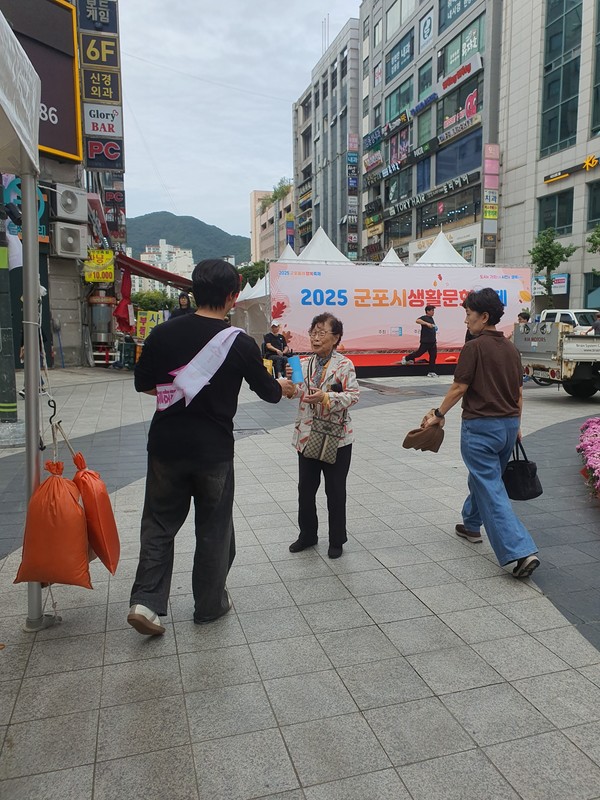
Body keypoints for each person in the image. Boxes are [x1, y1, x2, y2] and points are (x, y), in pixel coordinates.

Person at [128, 259, 295, 636]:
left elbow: (145, 385)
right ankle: (209, 605)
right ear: (233, 297)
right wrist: (283, 387)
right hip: (213, 452)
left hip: (166, 447)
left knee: (158, 523)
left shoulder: (162, 334)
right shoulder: (240, 343)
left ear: (193, 291)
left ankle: (146, 602)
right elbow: (269, 394)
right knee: (214, 527)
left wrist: (179, 393)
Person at [421, 288, 540, 579]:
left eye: (468, 315)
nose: (466, 321)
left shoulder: (473, 347)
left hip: (481, 428)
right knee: (485, 479)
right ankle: (471, 525)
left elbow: (459, 388)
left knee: (490, 486)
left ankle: (521, 551)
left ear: (484, 316)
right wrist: (518, 426)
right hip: (509, 426)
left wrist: (437, 415)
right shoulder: (512, 349)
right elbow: (519, 393)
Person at [286, 313, 360, 559]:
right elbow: (298, 392)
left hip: (336, 438)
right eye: (313, 332)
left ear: (336, 337)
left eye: (321, 333)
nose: (315, 338)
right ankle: (307, 535)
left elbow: (353, 396)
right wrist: (288, 385)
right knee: (305, 489)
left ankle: (337, 539)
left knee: (335, 491)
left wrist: (327, 397)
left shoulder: (344, 364)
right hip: (307, 435)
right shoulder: (303, 364)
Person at [401, 304, 438, 374]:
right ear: (427, 311)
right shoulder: (424, 317)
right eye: (432, 310)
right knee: (418, 353)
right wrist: (427, 324)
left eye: (433, 310)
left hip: (433, 342)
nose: (433, 312)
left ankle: (431, 372)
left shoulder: (431, 318)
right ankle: (406, 358)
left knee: (433, 356)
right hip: (426, 341)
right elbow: (417, 321)